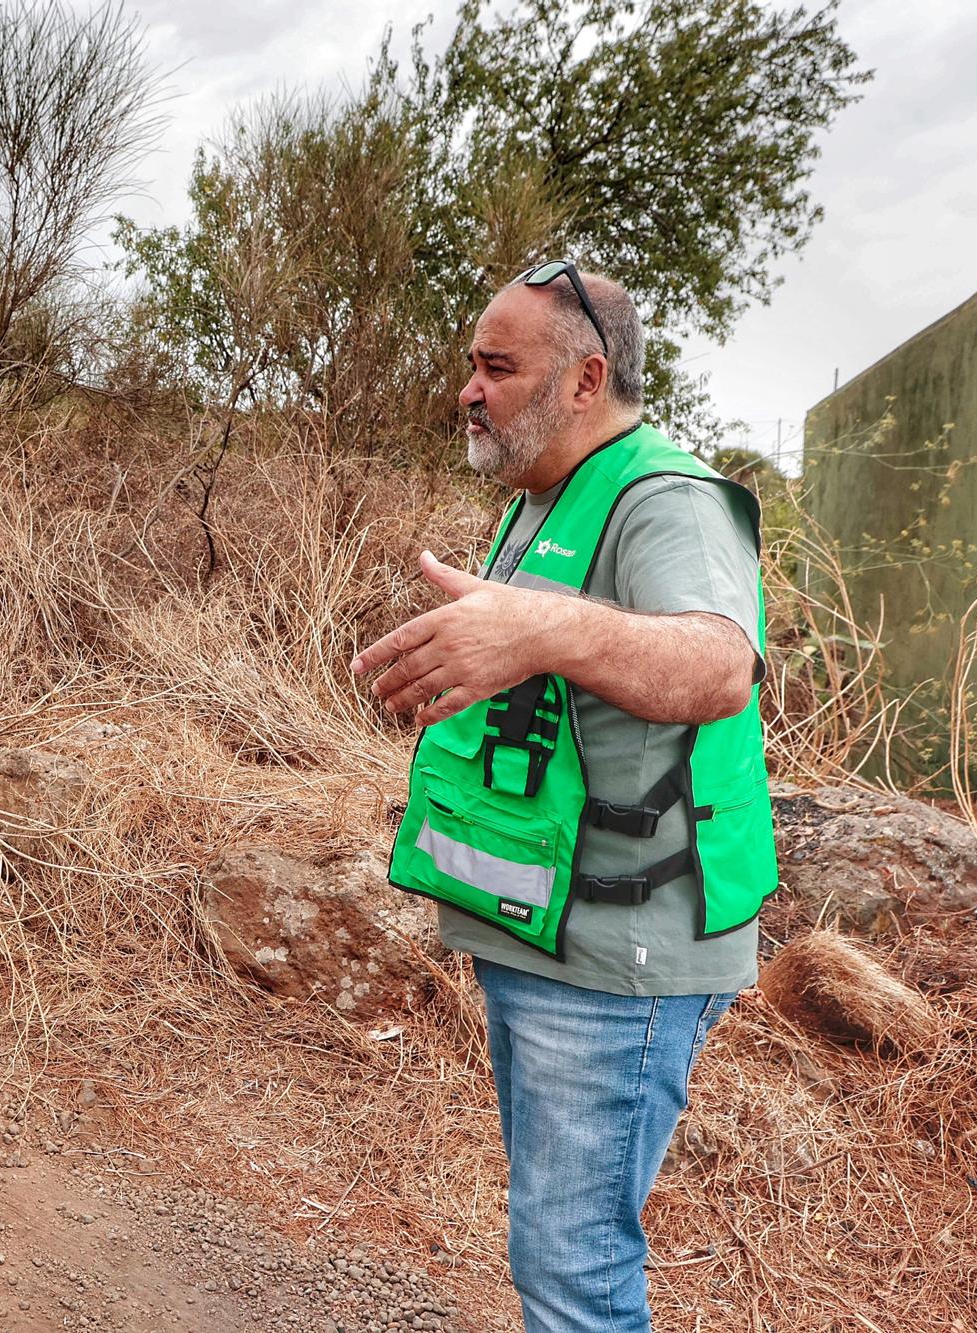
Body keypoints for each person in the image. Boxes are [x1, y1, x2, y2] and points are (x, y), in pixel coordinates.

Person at [351, 261, 778, 1332]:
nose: (467, 389)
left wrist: (537, 627)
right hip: (552, 937)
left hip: (617, 964)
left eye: (496, 367)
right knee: (560, 1246)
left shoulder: (665, 500)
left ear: (583, 379)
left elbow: (716, 664)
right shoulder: (550, 491)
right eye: (470, 366)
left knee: (572, 1269)